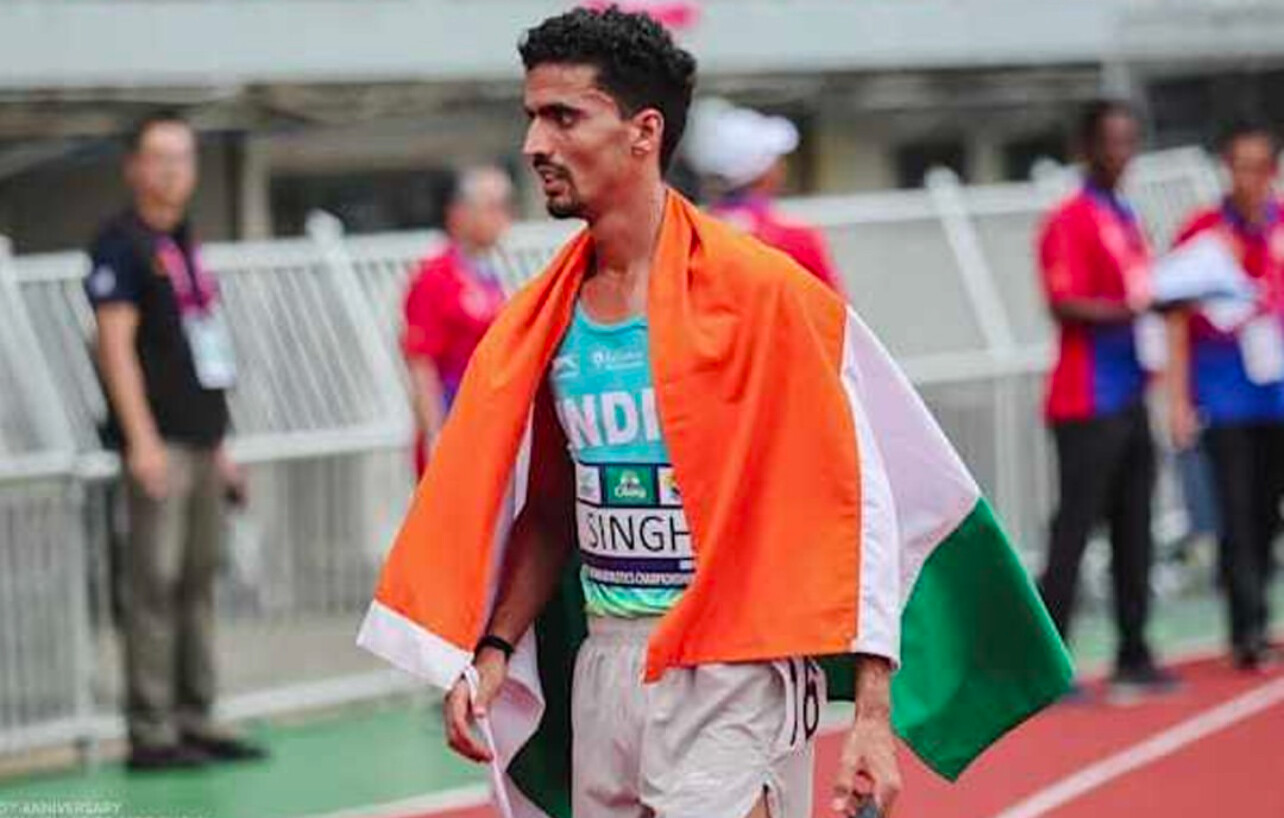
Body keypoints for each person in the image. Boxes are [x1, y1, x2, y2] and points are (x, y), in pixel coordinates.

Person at [359, 9, 1070, 818]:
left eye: (563, 117)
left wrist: (873, 713)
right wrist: (493, 648)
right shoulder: (545, 317)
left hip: (736, 662)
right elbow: (553, 509)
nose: (534, 145)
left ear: (643, 131)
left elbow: (855, 502)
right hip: (606, 661)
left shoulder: (762, 296)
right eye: (531, 117)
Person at [85, 111, 265, 771]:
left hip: (201, 437)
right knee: (152, 585)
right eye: (159, 157)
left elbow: (203, 348)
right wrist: (141, 439)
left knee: (198, 579)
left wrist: (221, 445)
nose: (172, 171)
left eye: (183, 157)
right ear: (133, 166)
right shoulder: (119, 244)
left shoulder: (184, 241)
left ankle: (197, 716)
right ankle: (152, 729)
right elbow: (114, 347)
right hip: (158, 442)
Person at [1036, 100, 1177, 699]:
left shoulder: (1126, 214)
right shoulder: (1070, 218)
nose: (1120, 153)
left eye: (1128, 141)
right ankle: (1047, 664)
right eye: (1110, 141)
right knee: (1074, 530)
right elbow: (1064, 302)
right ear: (1087, 147)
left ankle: (1133, 650)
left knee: (1135, 525)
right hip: (1087, 397)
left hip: (1132, 392)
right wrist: (1134, 309)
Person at [1165, 121, 1284, 671]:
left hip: (1277, 395)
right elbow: (1173, 318)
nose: (1248, 179)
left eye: (1259, 167)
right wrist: (1177, 400)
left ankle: (1260, 612)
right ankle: (1246, 628)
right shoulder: (1202, 232)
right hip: (1224, 395)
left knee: (1266, 512)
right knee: (1235, 511)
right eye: (1239, 167)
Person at [402, 166, 513, 476]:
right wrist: (436, 436)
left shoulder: (491, 275)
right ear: (459, 213)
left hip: (489, 427)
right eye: (492, 207)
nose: (503, 218)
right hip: (455, 426)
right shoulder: (435, 277)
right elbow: (421, 362)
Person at [683, 98, 845, 293]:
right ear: (764, 172)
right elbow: (834, 308)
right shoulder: (796, 239)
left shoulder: (687, 238)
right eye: (774, 159)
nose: (782, 166)